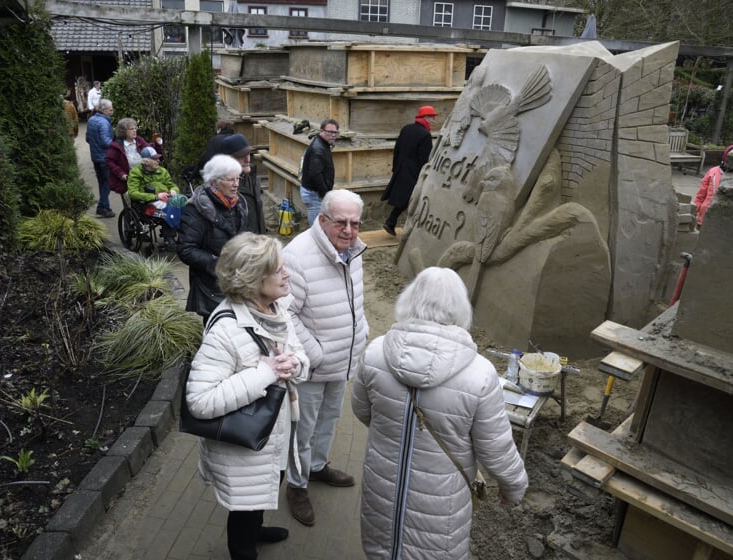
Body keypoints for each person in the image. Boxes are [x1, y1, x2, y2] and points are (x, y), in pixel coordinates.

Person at [351, 267, 528, 559]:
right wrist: (513, 487)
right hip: (440, 506)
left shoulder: (375, 352)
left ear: (410, 299)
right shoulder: (480, 374)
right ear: (460, 307)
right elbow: (495, 449)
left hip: (382, 491)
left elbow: (361, 410)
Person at [185, 232, 309, 560]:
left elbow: (298, 354)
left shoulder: (277, 307)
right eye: (279, 270)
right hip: (243, 449)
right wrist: (265, 374)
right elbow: (199, 401)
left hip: (274, 434)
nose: (288, 275)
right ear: (252, 279)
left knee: (263, 492)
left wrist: (294, 363)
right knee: (243, 508)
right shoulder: (225, 330)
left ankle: (256, 531)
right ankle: (243, 548)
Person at [282, 189, 368, 527]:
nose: (348, 230)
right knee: (302, 428)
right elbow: (285, 315)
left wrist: (361, 332)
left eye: (355, 223)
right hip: (312, 366)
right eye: (341, 222)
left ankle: (317, 466)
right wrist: (314, 353)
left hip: (342, 360)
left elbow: (353, 300)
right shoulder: (297, 256)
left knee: (329, 419)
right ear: (322, 220)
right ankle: (296, 485)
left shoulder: (354, 250)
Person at [177, 154, 249, 325]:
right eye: (230, 180)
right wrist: (217, 264)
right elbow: (185, 249)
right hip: (211, 286)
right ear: (214, 181)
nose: (236, 184)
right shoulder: (197, 209)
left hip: (238, 280)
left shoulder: (238, 203)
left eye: (238, 178)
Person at [381, 105, 438, 236]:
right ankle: (401, 225)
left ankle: (391, 222)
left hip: (401, 168)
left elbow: (397, 149)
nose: (434, 121)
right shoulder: (425, 135)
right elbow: (425, 158)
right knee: (412, 199)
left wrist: (395, 168)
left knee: (405, 199)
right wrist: (424, 176)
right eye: (433, 118)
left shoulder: (406, 129)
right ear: (426, 118)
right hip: (415, 172)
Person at [127, 146, 181, 248]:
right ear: (146, 162)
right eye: (154, 159)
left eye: (158, 158)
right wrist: (155, 196)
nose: (158, 161)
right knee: (171, 208)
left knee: (183, 205)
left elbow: (172, 185)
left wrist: (174, 190)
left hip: (166, 199)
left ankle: (182, 235)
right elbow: (133, 193)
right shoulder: (135, 173)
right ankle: (169, 237)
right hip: (147, 203)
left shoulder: (162, 171)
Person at [219, 133, 267, 234]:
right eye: (241, 156)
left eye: (248, 154)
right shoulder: (223, 189)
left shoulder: (250, 178)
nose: (247, 159)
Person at [299, 118, 338, 226]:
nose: (333, 135)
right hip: (314, 194)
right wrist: (325, 194)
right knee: (317, 229)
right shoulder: (318, 149)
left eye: (335, 132)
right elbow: (316, 174)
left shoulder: (322, 144)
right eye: (330, 132)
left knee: (320, 227)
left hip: (315, 193)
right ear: (321, 131)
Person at [85, 98, 115, 218]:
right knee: (108, 183)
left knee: (102, 183)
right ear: (104, 110)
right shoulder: (103, 122)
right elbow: (105, 142)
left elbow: (87, 138)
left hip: (95, 157)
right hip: (105, 158)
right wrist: (116, 144)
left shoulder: (91, 120)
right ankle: (102, 207)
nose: (112, 112)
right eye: (110, 109)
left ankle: (106, 207)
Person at [106, 118, 149, 195]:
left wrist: (158, 144)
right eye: (131, 129)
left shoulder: (139, 140)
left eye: (135, 128)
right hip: (127, 182)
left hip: (144, 178)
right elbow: (109, 161)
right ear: (124, 131)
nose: (135, 131)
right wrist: (121, 174)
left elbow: (150, 152)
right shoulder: (117, 145)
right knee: (131, 204)